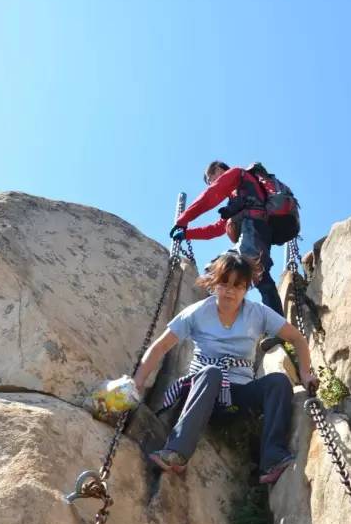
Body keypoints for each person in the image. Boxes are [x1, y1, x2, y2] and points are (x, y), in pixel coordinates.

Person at [134, 251, 318, 484]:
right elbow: (160, 347)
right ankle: (177, 452)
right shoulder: (198, 312)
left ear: (246, 288)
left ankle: (272, 457)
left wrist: (305, 373)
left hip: (236, 395)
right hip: (202, 392)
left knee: (279, 382)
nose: (230, 291)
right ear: (214, 283)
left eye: (238, 285)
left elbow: (298, 339)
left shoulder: (257, 313)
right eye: (225, 283)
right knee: (212, 373)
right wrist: (138, 383)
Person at [170, 161, 284, 317]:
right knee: (260, 277)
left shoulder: (237, 174)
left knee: (223, 266)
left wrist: (182, 220)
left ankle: (220, 315)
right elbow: (216, 229)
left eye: (211, 179)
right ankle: (278, 329)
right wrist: (187, 233)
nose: (212, 184)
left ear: (218, 169)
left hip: (253, 228)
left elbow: (211, 195)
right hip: (258, 232)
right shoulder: (236, 198)